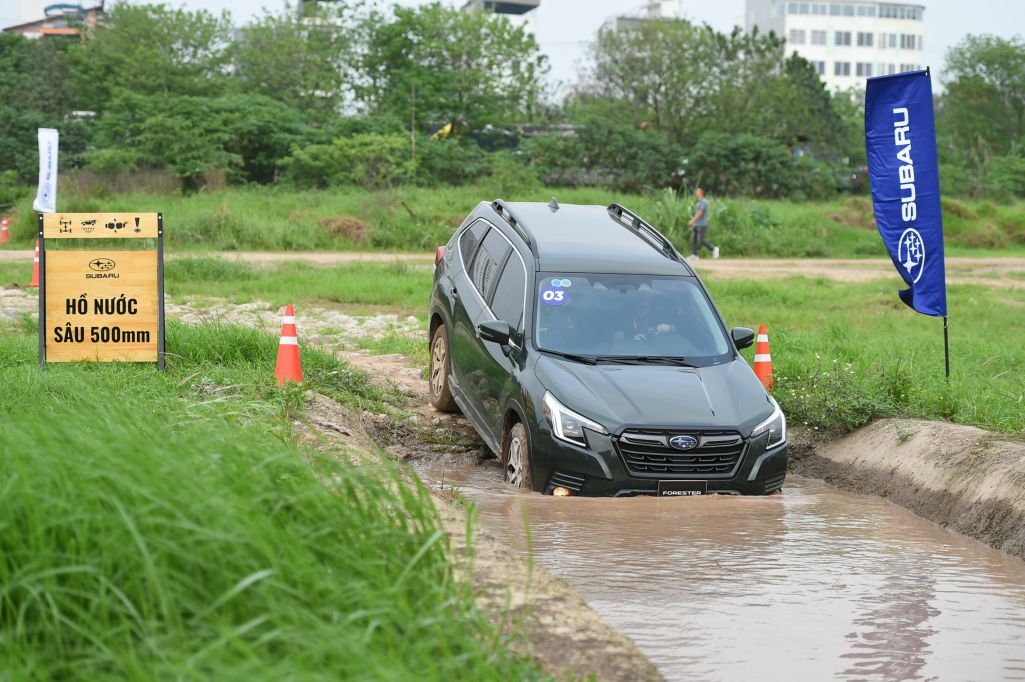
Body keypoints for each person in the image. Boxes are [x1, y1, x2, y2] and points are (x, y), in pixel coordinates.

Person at [687, 187, 719, 261]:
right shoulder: (698, 202)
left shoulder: (704, 202)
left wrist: (692, 221)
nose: (696, 192)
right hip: (696, 224)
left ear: (701, 192)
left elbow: (700, 213)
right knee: (693, 240)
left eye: (697, 191)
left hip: (702, 224)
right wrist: (694, 223)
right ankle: (694, 255)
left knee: (701, 240)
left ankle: (714, 249)